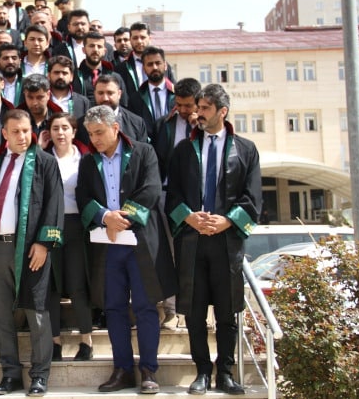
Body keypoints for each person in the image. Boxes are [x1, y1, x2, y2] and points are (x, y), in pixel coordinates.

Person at [165, 84, 262, 396]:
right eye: (199, 107)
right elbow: (172, 195)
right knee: (194, 313)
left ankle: (227, 373)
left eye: (205, 108)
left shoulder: (245, 150)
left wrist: (227, 221)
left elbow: (253, 198)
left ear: (223, 111)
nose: (198, 113)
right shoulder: (184, 150)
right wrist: (189, 217)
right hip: (192, 241)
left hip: (226, 242)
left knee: (226, 311)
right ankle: (202, 372)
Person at [75, 105, 176, 395]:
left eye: (99, 132)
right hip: (107, 245)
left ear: (116, 128)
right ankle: (122, 370)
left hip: (140, 241)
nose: (94, 139)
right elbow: (83, 196)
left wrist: (122, 218)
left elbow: (151, 189)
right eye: (90, 133)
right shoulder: (88, 161)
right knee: (114, 308)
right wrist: (105, 216)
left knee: (145, 306)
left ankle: (148, 370)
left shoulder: (144, 152)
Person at [0, 109, 64, 397]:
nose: (22, 136)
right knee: (2, 314)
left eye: (26, 130)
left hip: (31, 248)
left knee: (37, 312)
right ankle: (10, 374)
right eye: (15, 131)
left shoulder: (44, 162)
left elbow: (54, 203)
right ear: (4, 133)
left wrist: (44, 243)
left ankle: (40, 375)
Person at [42, 113, 94, 362]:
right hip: (49, 226)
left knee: (77, 284)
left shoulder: (84, 159)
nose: (60, 133)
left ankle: (86, 341)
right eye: (55, 128)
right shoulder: (42, 158)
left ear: (74, 132)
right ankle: (54, 343)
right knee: (51, 286)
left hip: (76, 225)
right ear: (49, 133)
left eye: (65, 128)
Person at [152, 77, 202, 329]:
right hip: (166, 195)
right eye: (178, 104)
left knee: (194, 254)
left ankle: (196, 309)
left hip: (196, 199)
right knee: (169, 253)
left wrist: (197, 128)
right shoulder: (164, 124)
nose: (182, 110)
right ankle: (171, 310)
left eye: (188, 105)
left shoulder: (206, 127)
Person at [75, 74, 146, 145]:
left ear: (119, 94)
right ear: (95, 94)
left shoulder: (137, 123)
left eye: (110, 93)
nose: (105, 98)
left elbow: (142, 150)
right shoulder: (82, 125)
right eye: (100, 93)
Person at [124, 46, 174, 142]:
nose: (154, 67)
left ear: (165, 65)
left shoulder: (177, 94)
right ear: (144, 68)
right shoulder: (136, 99)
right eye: (150, 64)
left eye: (158, 63)